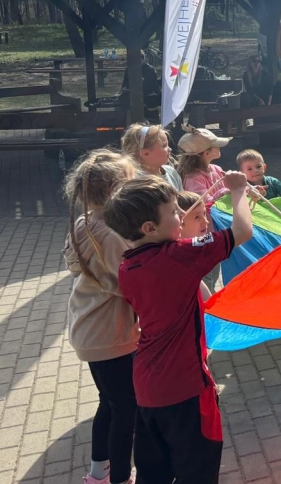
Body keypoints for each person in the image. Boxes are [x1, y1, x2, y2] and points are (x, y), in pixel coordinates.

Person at [103, 172, 254, 484]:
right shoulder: (182, 255)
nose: (181, 215)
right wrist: (238, 191)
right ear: (149, 227)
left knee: (154, 473)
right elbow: (242, 231)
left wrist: (179, 227)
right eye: (174, 212)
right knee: (197, 471)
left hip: (146, 387)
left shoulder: (127, 264)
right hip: (186, 390)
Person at [62, 150, 139, 484]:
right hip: (110, 335)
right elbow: (131, 284)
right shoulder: (109, 235)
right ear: (116, 190)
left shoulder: (87, 221)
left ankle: (98, 473)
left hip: (94, 330)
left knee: (111, 402)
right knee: (126, 408)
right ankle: (120, 476)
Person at [177, 127, 232, 293]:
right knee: (206, 272)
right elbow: (201, 201)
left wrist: (250, 189)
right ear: (206, 153)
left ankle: (210, 297)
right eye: (215, 145)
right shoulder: (193, 177)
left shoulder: (215, 169)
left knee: (215, 269)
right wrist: (225, 192)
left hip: (214, 230)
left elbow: (229, 183)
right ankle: (206, 303)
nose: (219, 147)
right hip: (201, 233)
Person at [121, 123, 182, 190]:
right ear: (145, 153)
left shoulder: (172, 172)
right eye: (164, 146)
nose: (170, 149)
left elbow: (182, 199)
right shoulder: (135, 181)